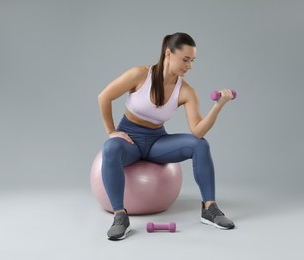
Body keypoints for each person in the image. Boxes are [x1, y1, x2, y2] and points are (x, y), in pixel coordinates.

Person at [98, 32, 235, 240]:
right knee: (110, 148)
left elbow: (197, 130)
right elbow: (104, 97)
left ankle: (209, 208)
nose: (189, 66)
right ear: (169, 54)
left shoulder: (186, 91)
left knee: (200, 145)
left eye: (192, 61)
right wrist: (111, 131)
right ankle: (120, 216)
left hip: (157, 142)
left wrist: (218, 107)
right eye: (185, 59)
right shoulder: (140, 74)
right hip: (130, 140)